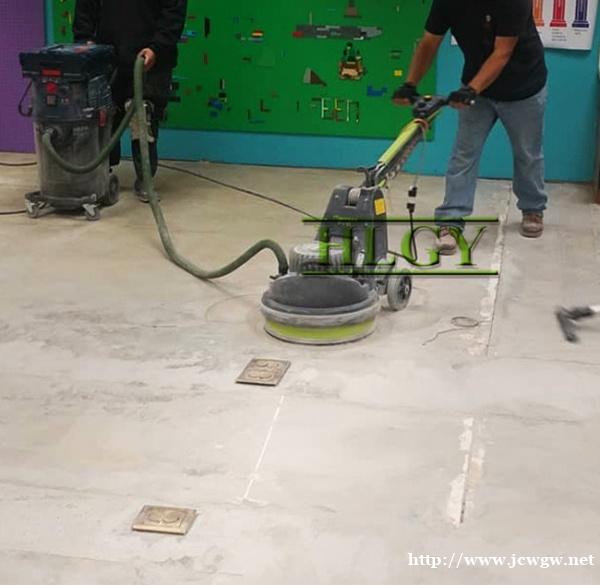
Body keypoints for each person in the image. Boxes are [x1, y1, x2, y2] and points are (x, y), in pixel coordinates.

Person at [393, 0, 548, 253]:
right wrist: (410, 83)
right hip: (477, 86)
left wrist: (471, 90)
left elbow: (502, 53)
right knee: (464, 154)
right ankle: (451, 220)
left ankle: (533, 208)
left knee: (527, 153)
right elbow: (429, 42)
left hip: (523, 87)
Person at [73, 0, 187, 202]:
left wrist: (157, 47)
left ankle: (145, 179)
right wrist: (85, 40)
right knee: (104, 116)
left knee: (144, 118)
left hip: (151, 61)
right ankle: (102, 174)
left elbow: (174, 11)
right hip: (108, 56)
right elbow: (85, 7)